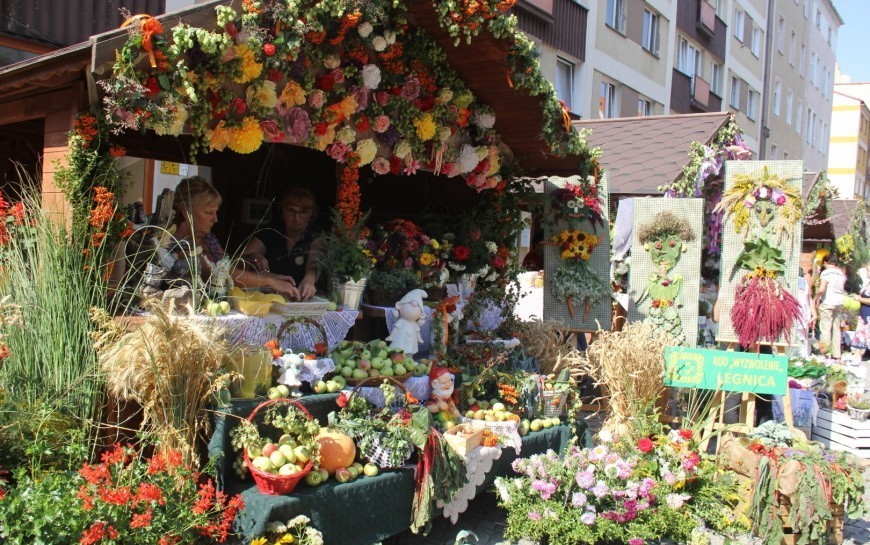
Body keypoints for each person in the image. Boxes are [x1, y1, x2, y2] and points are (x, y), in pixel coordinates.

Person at [165, 176, 300, 299]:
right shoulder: (174, 243)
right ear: (185, 211)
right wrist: (269, 281)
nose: (215, 219)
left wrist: (250, 260)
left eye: (216, 212)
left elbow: (228, 266)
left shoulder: (209, 238)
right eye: (209, 212)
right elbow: (217, 273)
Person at [243, 187, 324, 301]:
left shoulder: (315, 237)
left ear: (311, 214)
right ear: (282, 210)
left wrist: (309, 281)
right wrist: (255, 256)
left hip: (301, 299)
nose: (297, 217)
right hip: (269, 298)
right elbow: (241, 258)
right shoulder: (271, 231)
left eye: (303, 212)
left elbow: (313, 266)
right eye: (291, 211)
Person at [815, 253, 846, 359]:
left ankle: (826, 353)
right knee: (836, 328)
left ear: (825, 262)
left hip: (828, 302)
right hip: (839, 302)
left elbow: (822, 289)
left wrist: (815, 298)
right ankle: (837, 354)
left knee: (825, 328)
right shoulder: (841, 273)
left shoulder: (826, 273)